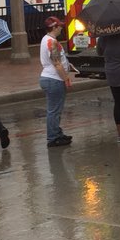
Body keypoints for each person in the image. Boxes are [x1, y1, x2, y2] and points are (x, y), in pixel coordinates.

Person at [40, 16, 73, 148]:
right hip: (54, 79)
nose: (61, 29)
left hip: (49, 78)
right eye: (59, 26)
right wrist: (66, 78)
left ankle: (57, 133)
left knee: (55, 110)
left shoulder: (46, 39)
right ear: (54, 27)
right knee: (54, 110)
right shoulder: (52, 42)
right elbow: (57, 63)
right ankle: (53, 138)